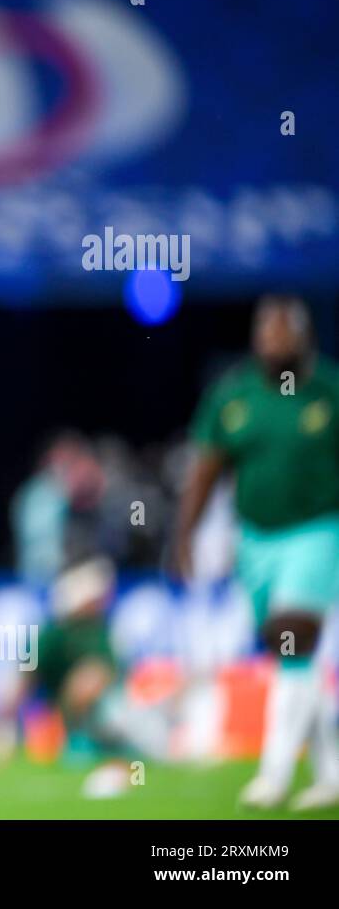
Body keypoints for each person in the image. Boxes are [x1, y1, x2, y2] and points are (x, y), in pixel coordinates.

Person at [175, 295, 339, 810]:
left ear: (304, 336)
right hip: (256, 540)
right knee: (292, 657)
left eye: (282, 332)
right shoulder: (234, 396)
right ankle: (331, 772)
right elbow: (206, 467)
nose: (272, 341)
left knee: (292, 638)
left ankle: (273, 774)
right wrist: (185, 532)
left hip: (316, 530)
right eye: (264, 332)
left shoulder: (329, 390)